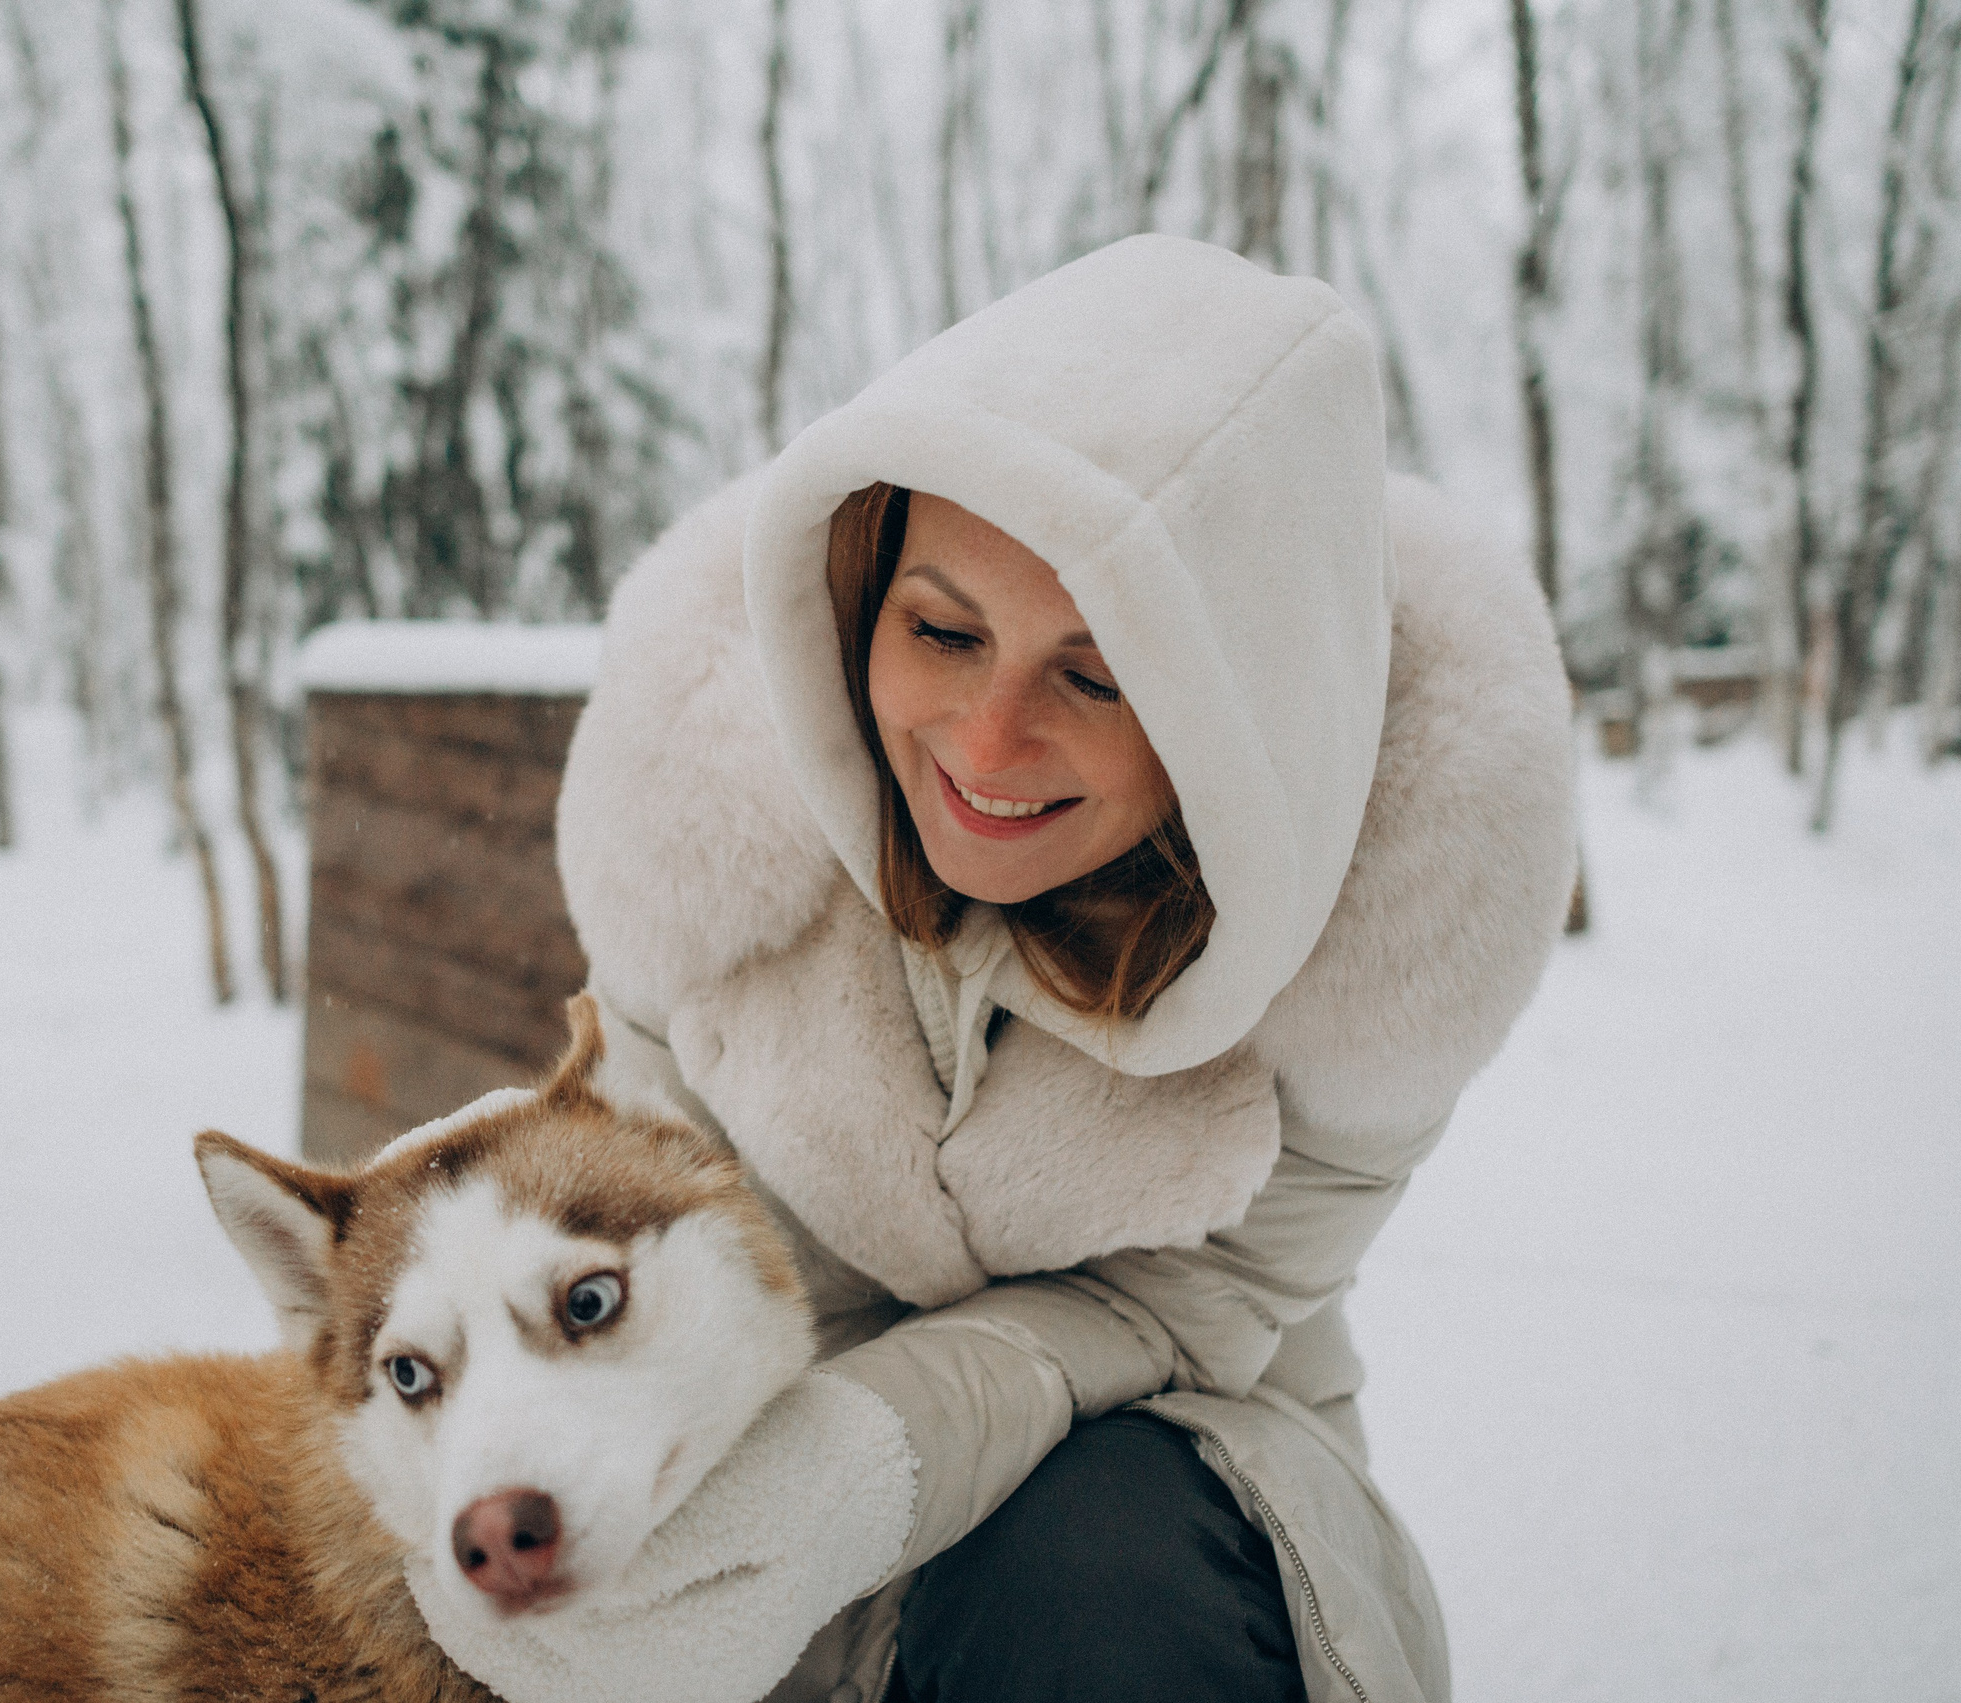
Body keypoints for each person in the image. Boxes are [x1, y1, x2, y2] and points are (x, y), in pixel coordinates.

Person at [410, 235, 1577, 1703]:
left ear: (1247, 719)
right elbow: (652, 1239)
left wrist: (848, 1474)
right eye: (944, 631)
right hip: (746, 1460)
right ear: (862, 594)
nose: (984, 742)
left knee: (1086, 1555)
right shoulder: (708, 826)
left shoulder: (1378, 945)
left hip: (1173, 1496)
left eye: (1097, 677)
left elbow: (1176, 1311)